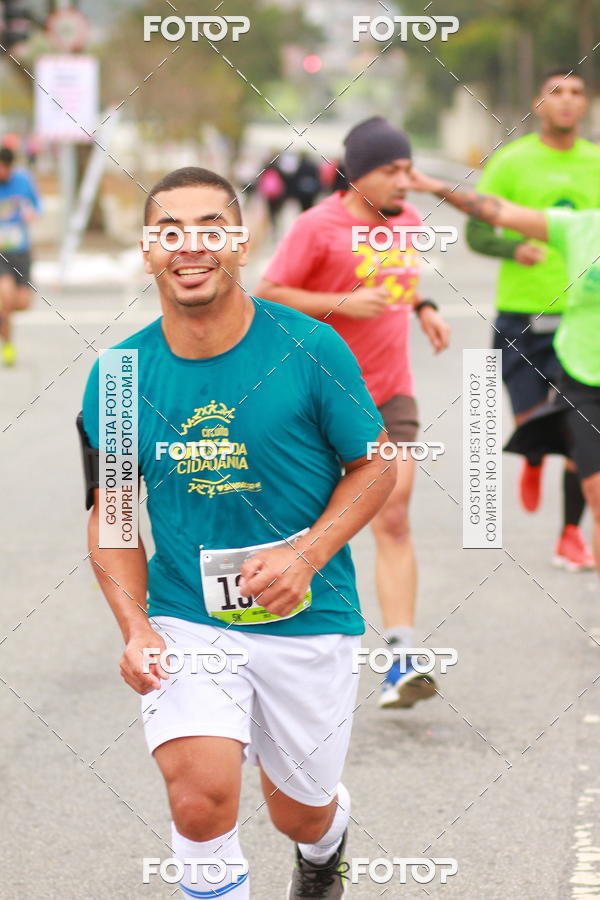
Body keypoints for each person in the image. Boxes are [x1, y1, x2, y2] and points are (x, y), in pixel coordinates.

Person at [79, 167, 395, 899]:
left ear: (242, 243)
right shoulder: (120, 377)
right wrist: (134, 626)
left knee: (300, 811)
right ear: (147, 250)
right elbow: (114, 516)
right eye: (170, 231)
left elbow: (377, 467)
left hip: (306, 615)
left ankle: (326, 845)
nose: (191, 247)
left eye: (210, 229)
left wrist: (306, 555)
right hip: (187, 614)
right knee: (199, 800)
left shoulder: (311, 347)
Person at [257, 117, 451, 710]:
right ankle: (275, 651)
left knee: (393, 515)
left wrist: (425, 306)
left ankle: (399, 659)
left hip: (390, 393)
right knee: (303, 521)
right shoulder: (318, 227)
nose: (403, 183)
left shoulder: (410, 224)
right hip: (320, 394)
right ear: (359, 172)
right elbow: (267, 292)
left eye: (405, 169)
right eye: (390, 171)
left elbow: (398, 282)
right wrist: (339, 302)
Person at [409, 170, 600, 569]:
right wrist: (437, 187)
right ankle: (540, 458)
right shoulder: (580, 227)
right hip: (585, 375)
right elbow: (499, 212)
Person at [465, 66, 600, 570]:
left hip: (584, 321)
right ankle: (534, 449)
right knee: (529, 416)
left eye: (576, 93)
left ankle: (569, 533)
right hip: (523, 312)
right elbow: (478, 234)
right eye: (555, 93)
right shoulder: (510, 163)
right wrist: (515, 245)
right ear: (538, 104)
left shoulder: (597, 162)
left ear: (585, 104)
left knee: (581, 429)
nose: (566, 101)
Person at [0, 146, 41, 366]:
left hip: (21, 250)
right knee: (5, 297)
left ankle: (3, 318)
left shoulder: (23, 181)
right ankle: (7, 345)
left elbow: (37, 204)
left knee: (22, 303)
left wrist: (32, 213)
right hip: (0, 253)